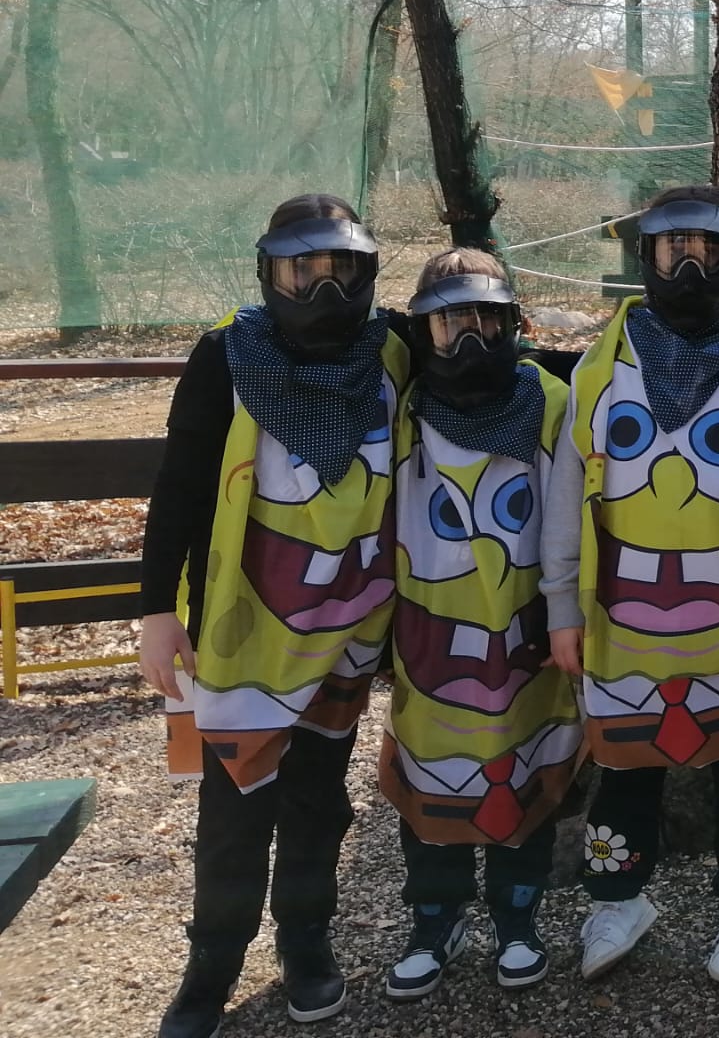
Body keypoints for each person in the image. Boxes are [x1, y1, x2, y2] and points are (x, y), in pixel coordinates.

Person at [138, 195, 406, 1037]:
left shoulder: (392, 350)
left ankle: (306, 943)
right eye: (303, 271)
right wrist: (156, 609)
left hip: (348, 625)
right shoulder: (227, 355)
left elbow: (505, 365)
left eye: (343, 271)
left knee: (319, 797)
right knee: (235, 805)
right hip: (244, 629)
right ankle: (211, 968)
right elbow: (181, 482)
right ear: (268, 274)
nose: (324, 290)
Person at [539, 186, 719, 988]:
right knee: (624, 762)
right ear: (644, 257)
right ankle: (616, 900)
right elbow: (567, 491)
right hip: (625, 612)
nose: (689, 268)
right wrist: (561, 604)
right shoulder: (601, 365)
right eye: (671, 250)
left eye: (707, 252)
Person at [379, 252, 584, 999]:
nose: (469, 338)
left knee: (525, 761)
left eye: (485, 321)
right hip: (430, 629)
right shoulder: (401, 408)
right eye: (449, 324)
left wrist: (562, 611)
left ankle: (517, 919)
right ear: (422, 333)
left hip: (525, 624)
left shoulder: (549, 402)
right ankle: (434, 920)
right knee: (432, 766)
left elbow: (565, 517)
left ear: (512, 323)